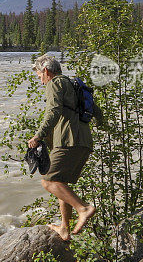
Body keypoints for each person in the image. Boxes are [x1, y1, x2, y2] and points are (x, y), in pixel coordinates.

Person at [28, 54, 100, 241]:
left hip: (68, 141)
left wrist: (39, 135)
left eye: (39, 76)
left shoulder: (55, 83)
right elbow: (97, 110)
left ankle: (83, 208)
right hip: (84, 142)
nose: (41, 81)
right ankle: (64, 229)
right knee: (61, 183)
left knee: (49, 181)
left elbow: (54, 111)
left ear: (46, 71)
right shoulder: (74, 84)